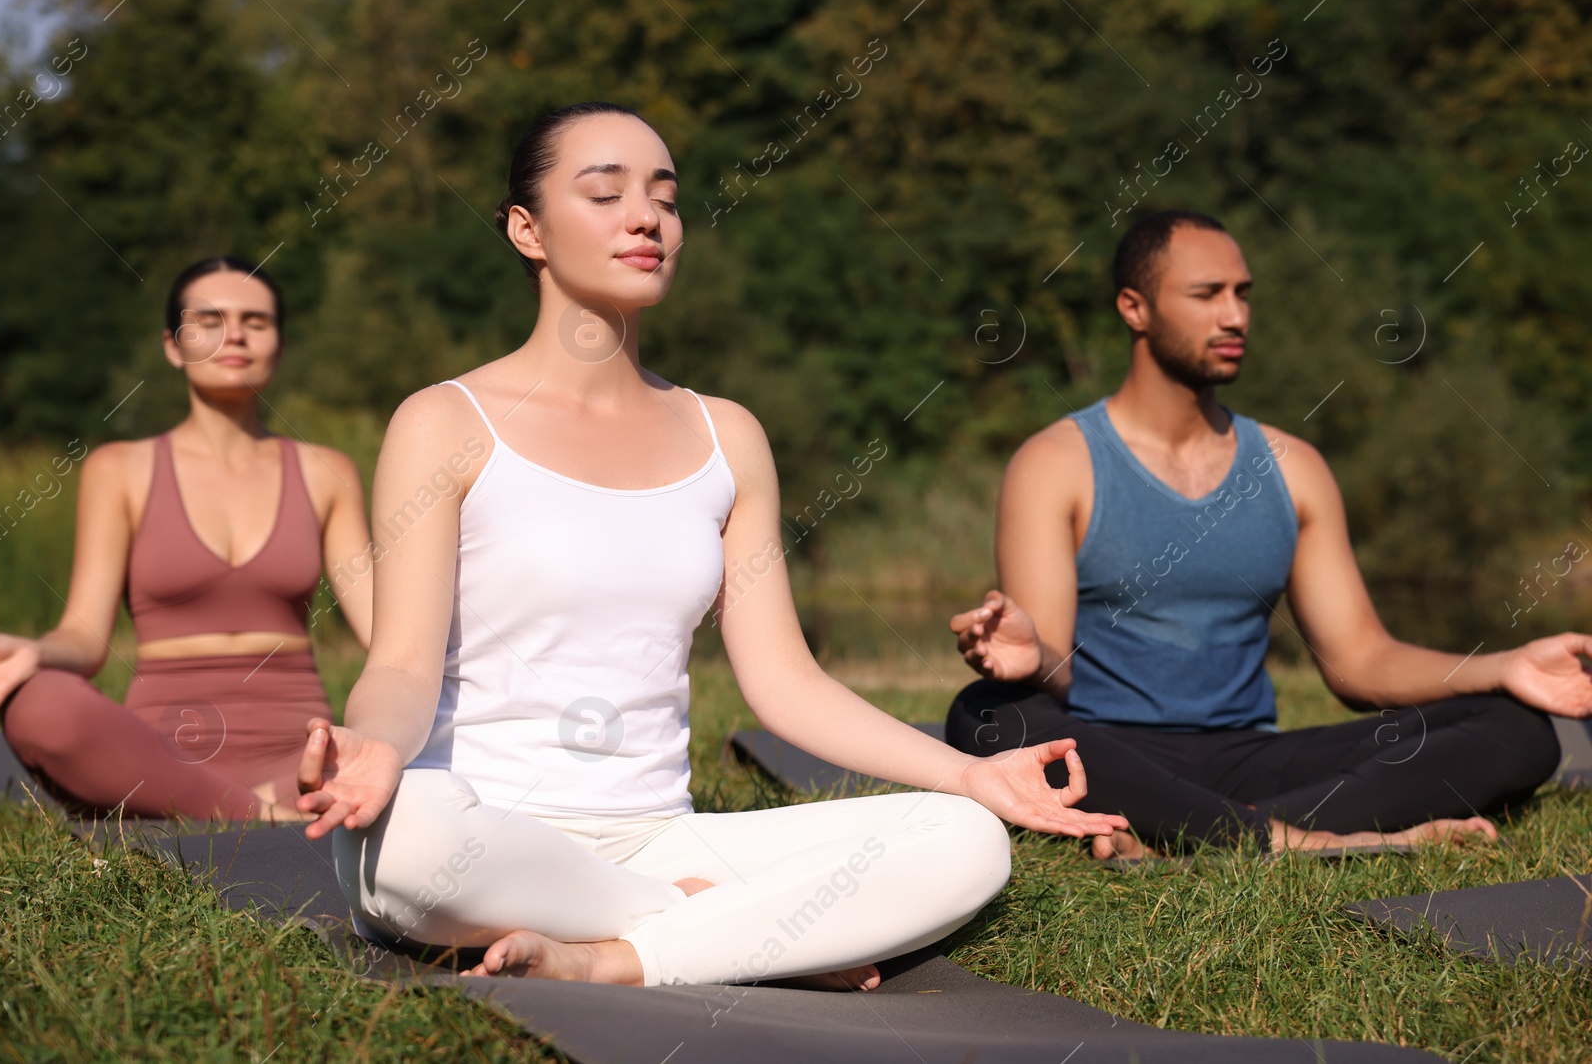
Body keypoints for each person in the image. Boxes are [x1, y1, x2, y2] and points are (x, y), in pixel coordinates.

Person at [294, 102, 1129, 990]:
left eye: (665, 195)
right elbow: (403, 665)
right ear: (526, 230)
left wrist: (973, 775)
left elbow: (786, 683)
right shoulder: (444, 422)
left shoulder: (726, 436)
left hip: (658, 831)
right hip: (481, 825)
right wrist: (377, 745)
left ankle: (622, 956)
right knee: (409, 843)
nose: (646, 217)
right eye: (605, 193)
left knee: (966, 843)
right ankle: (734, 928)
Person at [946, 210, 1587, 858]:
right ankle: (1287, 833)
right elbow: (1050, 678)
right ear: (1134, 308)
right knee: (988, 712)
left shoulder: (1294, 468)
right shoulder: (1056, 463)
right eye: (1207, 294)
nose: (1235, 316)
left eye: (1243, 294)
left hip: (1251, 758)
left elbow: (1361, 660)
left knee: (1518, 728)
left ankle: (1193, 830)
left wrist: (1506, 666)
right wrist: (1031, 658)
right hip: (1111, 749)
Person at [0, 257, 372, 820]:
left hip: (300, 758)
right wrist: (38, 652)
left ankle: (246, 808)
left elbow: (388, 641)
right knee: (40, 705)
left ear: (280, 345)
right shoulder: (119, 469)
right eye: (210, 320)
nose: (236, 334)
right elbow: (85, 638)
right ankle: (251, 814)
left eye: (256, 321)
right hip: (158, 760)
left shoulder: (324, 472)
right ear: (173, 345)